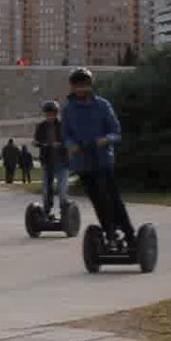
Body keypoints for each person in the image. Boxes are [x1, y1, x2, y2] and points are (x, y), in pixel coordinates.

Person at [62, 67, 135, 246]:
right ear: (72, 87)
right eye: (77, 86)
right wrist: (71, 146)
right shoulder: (68, 109)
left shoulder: (102, 105)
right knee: (97, 200)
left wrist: (103, 140)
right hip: (82, 162)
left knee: (112, 197)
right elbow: (65, 134)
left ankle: (129, 233)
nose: (80, 89)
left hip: (102, 159)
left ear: (90, 85)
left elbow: (116, 132)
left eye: (84, 85)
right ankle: (110, 233)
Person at [32, 100, 69, 216]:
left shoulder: (63, 126)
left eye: (52, 114)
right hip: (47, 162)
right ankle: (46, 211)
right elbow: (37, 140)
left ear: (56, 113)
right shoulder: (41, 127)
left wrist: (61, 144)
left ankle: (65, 212)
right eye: (47, 114)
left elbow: (69, 141)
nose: (49, 117)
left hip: (62, 163)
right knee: (46, 191)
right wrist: (38, 143)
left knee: (62, 190)